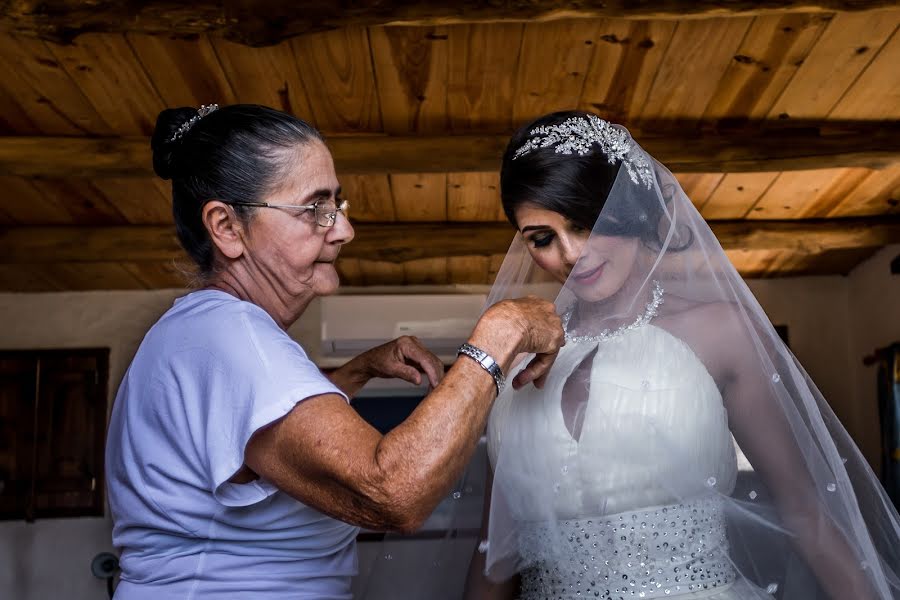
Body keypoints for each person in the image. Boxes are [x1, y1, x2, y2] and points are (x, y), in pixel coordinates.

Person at [104, 103, 564, 599]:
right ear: (227, 227)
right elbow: (394, 491)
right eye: (315, 209)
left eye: (337, 206)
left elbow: (250, 444)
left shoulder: (203, 332)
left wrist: (356, 371)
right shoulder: (233, 336)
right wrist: (500, 331)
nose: (343, 230)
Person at [454, 111, 900, 599]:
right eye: (542, 238)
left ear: (631, 209)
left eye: (587, 223)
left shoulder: (720, 331)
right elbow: (493, 550)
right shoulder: (514, 356)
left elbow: (805, 510)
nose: (570, 253)